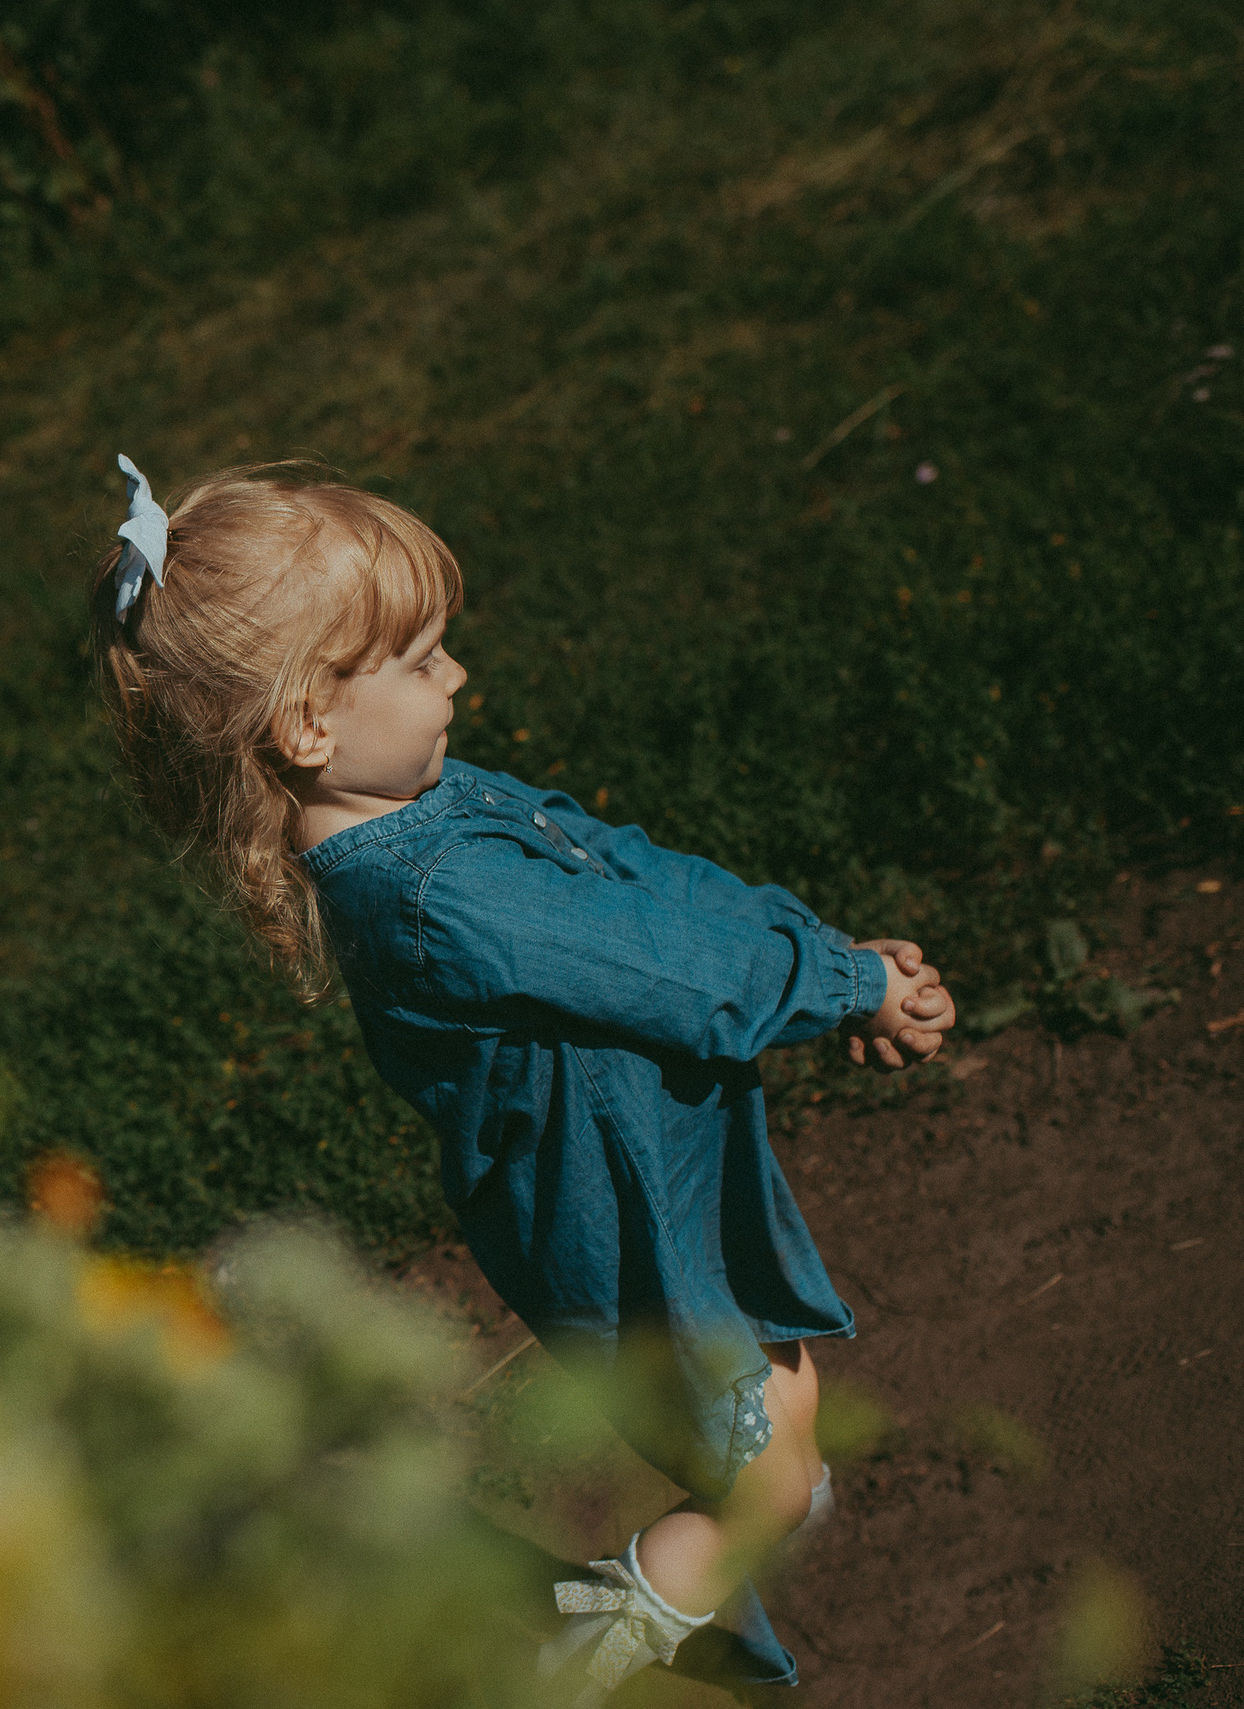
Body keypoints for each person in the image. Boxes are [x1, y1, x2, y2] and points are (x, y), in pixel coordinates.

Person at [88, 456, 955, 1701]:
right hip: (627, 1224)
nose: (458, 677)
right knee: (765, 1480)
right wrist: (845, 984)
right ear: (307, 727)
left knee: (781, 1435)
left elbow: (646, 887)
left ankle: (691, 1572)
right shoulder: (445, 898)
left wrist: (829, 960)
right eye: (424, 658)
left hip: (657, 1179)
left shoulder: (422, 809)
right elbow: (666, 961)